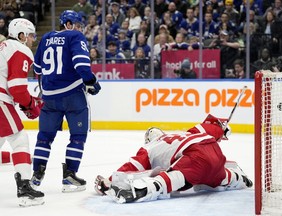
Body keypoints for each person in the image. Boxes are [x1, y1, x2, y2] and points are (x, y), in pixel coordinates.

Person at [94, 114, 253, 203]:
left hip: (195, 159)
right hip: (215, 151)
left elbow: (132, 166)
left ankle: (143, 190)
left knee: (173, 177)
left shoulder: (150, 147)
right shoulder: (185, 133)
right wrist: (222, 129)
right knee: (219, 175)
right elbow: (208, 128)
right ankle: (238, 178)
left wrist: (109, 181)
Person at [31, 10, 101, 193]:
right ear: (68, 24)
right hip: (73, 96)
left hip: (49, 97)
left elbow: (37, 68)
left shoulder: (46, 37)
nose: (79, 29)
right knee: (78, 137)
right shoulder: (75, 36)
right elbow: (81, 65)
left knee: (44, 138)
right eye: (77, 25)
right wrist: (92, 83)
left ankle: (36, 174)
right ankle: (69, 176)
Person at [0, 18, 44, 206]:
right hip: (1, 100)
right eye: (31, 35)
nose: (32, 39)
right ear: (21, 35)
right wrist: (29, 104)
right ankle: (25, 188)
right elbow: (17, 87)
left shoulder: (3, 46)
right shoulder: (20, 49)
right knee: (19, 139)